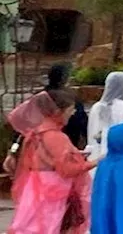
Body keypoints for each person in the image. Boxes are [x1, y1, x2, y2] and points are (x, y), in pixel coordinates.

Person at [7, 90, 95, 233]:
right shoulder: (56, 136)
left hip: (35, 187)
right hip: (53, 190)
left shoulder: (35, 133)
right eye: (70, 110)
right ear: (58, 112)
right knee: (49, 226)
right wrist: (96, 161)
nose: (72, 114)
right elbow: (67, 170)